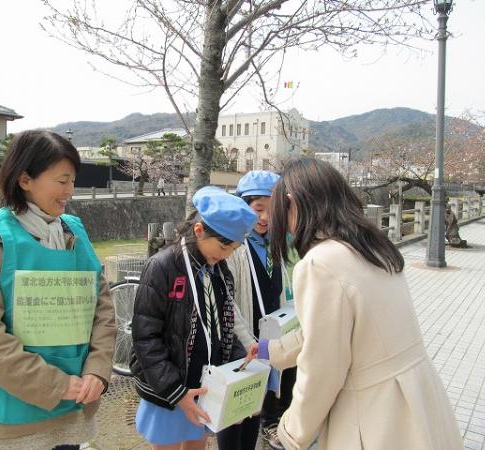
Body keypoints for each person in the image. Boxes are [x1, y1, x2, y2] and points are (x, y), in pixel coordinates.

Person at [249, 158, 463, 450]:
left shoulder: (320, 262)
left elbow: (322, 365)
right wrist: (269, 350)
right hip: (416, 398)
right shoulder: (372, 245)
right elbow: (331, 336)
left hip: (374, 413)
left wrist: (291, 434)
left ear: (291, 202)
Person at [0, 130, 116, 450]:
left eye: (72, 181)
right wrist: (55, 385)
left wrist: (97, 371)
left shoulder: (73, 233)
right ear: (25, 180)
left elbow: (102, 307)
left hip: (74, 402)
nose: (70, 191)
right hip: (10, 418)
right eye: (62, 180)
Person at [130, 186, 258, 450]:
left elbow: (224, 327)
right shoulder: (162, 266)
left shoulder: (220, 271)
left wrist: (239, 374)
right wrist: (176, 392)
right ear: (198, 230)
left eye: (233, 249)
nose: (226, 255)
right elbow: (145, 337)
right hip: (169, 390)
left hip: (204, 387)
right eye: (224, 245)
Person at [218, 170, 292, 450]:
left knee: (255, 409)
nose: (265, 218)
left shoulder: (274, 244)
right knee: (234, 415)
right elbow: (228, 302)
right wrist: (250, 343)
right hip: (241, 347)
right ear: (243, 206)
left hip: (267, 343)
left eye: (272, 211)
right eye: (258, 209)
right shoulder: (235, 246)